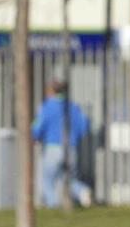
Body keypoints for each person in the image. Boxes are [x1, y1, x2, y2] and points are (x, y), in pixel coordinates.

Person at [31, 79, 91, 209]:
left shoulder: (46, 107)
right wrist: (75, 137)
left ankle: (53, 206)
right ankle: (82, 191)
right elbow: (85, 125)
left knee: (48, 180)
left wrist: (34, 137)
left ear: (50, 91)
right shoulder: (73, 107)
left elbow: (37, 127)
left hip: (52, 148)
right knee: (68, 179)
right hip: (71, 148)